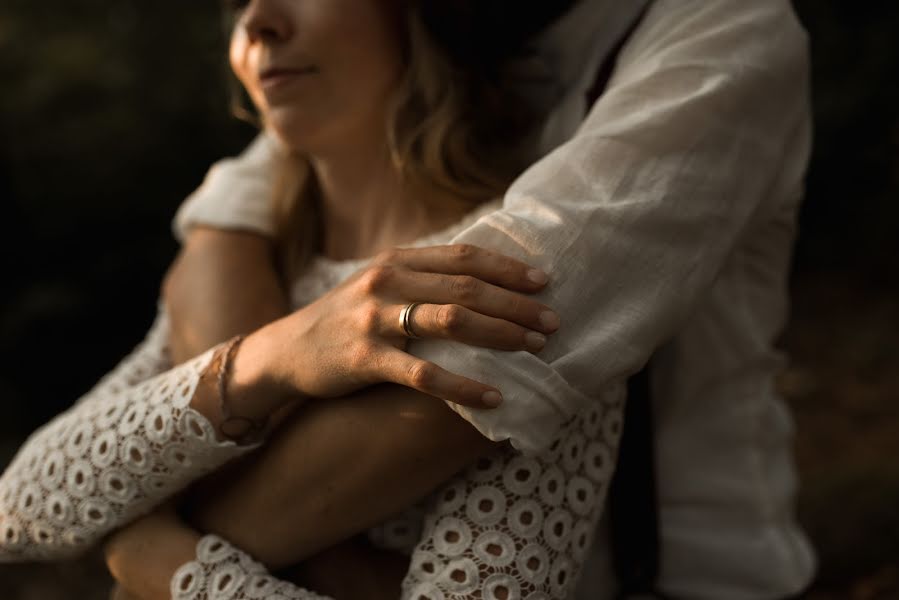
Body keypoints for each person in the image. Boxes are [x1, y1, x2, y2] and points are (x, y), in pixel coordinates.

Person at [1, 1, 816, 600]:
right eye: (238, 4)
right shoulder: (272, 263)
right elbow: (20, 507)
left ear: (415, 20)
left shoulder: (504, 299)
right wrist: (274, 356)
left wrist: (169, 564)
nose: (256, 26)